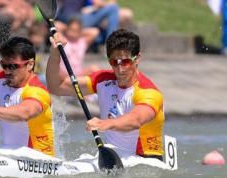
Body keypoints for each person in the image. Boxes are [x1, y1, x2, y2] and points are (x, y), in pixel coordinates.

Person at [46, 29, 165, 160]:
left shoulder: (148, 92)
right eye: (115, 62)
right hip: (114, 158)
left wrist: (105, 124)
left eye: (125, 62)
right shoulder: (102, 80)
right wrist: (55, 54)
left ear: (137, 59)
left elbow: (136, 120)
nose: (120, 69)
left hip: (146, 161)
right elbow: (56, 87)